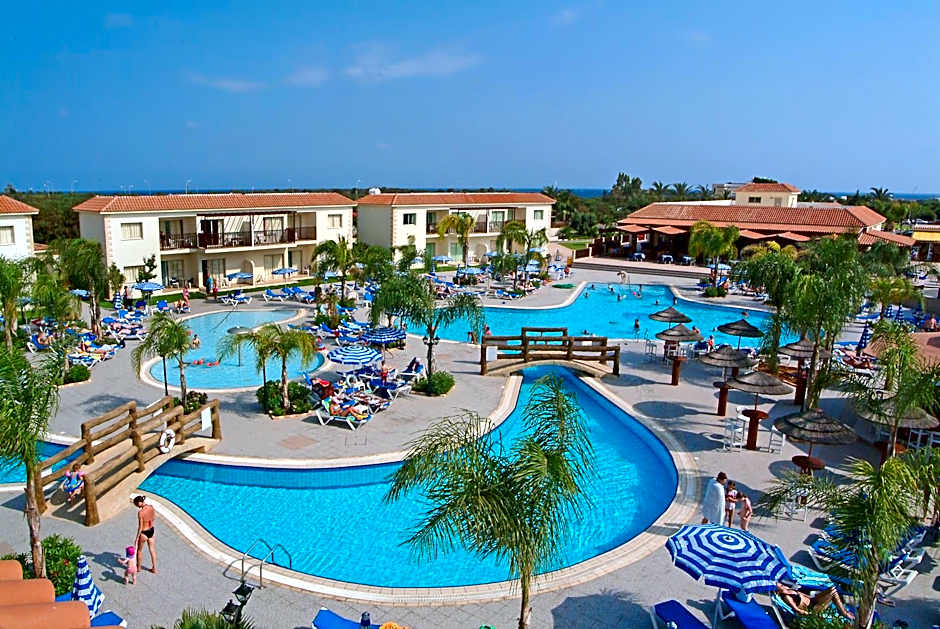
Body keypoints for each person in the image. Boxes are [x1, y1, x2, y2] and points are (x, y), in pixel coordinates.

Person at [774, 583, 854, 620]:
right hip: (813, 608)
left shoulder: (791, 590)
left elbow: (807, 596)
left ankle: (843, 611)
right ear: (779, 591)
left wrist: (821, 595)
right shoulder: (787, 597)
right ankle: (844, 613)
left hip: (813, 600)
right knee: (833, 594)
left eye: (782, 584)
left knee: (832, 589)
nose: (784, 586)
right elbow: (797, 609)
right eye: (781, 586)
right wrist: (809, 614)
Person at [133, 495, 157, 573]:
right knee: (152, 550)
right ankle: (154, 568)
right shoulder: (151, 507)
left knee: (139, 550)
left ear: (139, 503)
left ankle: (139, 568)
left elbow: (140, 527)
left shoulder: (140, 513)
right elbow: (153, 518)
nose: (137, 506)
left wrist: (137, 538)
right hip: (151, 530)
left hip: (144, 532)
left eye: (136, 504)